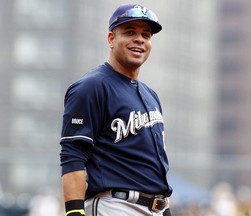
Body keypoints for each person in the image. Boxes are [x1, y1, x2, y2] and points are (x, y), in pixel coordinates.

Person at [60, 4, 172, 216]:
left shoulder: (151, 95)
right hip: (115, 205)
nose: (140, 39)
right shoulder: (91, 87)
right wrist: (74, 212)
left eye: (146, 35)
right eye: (130, 32)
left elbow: (154, 164)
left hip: (155, 208)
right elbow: (73, 154)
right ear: (111, 39)